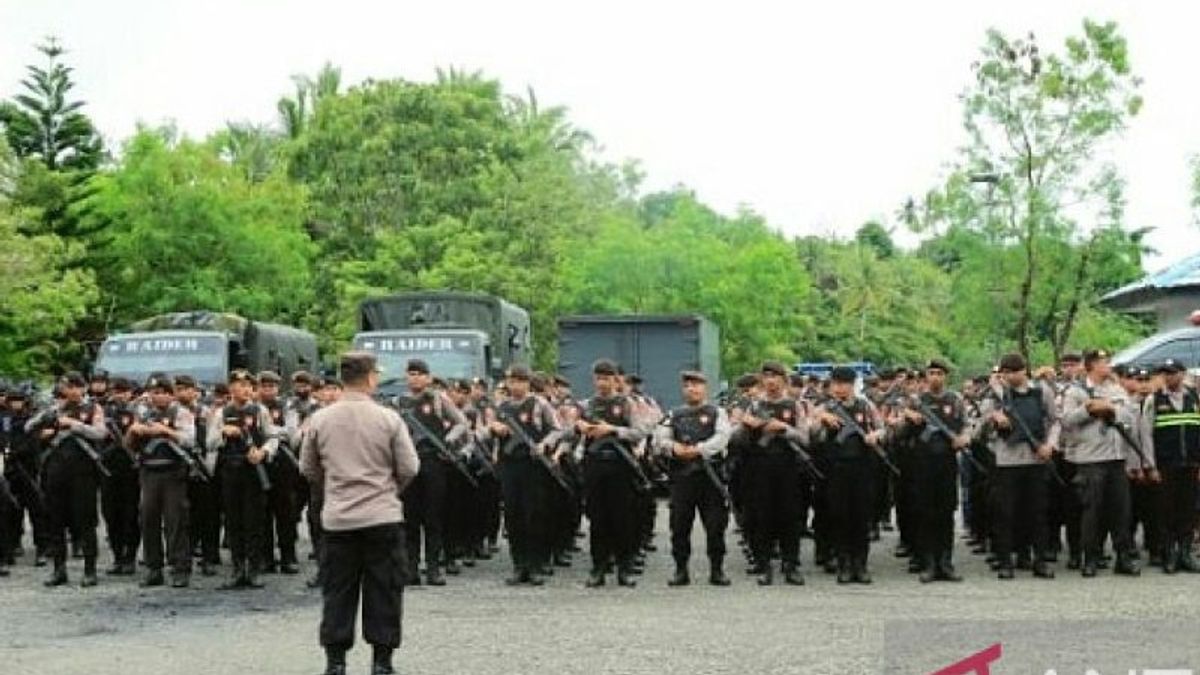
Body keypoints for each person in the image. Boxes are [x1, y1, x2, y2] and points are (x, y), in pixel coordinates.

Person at [301, 351, 419, 675]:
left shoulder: (321, 419)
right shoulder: (388, 418)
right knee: (385, 588)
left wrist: (335, 488)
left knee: (337, 589)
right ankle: (382, 662)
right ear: (370, 377)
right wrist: (389, 490)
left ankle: (335, 662)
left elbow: (308, 467)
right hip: (382, 516)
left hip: (338, 519)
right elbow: (409, 466)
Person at [976, 353, 1061, 580]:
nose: (1011, 376)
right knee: (1005, 513)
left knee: (1037, 513)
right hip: (1006, 461)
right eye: (1007, 372)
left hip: (1035, 459)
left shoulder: (1041, 391)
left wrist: (1049, 445)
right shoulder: (995, 395)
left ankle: (1039, 560)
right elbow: (980, 427)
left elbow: (1055, 421)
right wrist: (995, 417)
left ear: (1025, 371)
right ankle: (1005, 561)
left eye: (1016, 371)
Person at [1060, 349, 1141, 577]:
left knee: (1120, 510)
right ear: (1092, 365)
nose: (1109, 365)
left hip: (1116, 458)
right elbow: (1066, 421)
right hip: (1090, 459)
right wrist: (1087, 409)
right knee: (1092, 511)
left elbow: (1130, 418)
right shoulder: (1075, 391)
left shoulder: (1116, 390)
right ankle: (1090, 558)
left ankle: (1123, 557)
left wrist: (1111, 408)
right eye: (1105, 362)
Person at [569, 359, 648, 588]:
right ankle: (598, 568)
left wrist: (612, 429)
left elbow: (640, 431)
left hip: (620, 465)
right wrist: (579, 427)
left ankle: (625, 568)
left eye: (606, 378)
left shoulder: (626, 403)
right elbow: (566, 432)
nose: (602, 383)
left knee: (622, 518)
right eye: (598, 378)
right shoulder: (586, 405)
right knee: (597, 519)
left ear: (615, 379)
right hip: (594, 464)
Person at [483, 365, 563, 586]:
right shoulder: (503, 406)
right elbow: (484, 431)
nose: (515, 385)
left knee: (534, 515)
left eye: (520, 381)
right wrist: (494, 428)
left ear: (528, 383)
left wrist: (543, 444)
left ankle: (536, 565)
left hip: (532, 465)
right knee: (513, 515)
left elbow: (558, 429)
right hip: (510, 466)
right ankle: (519, 565)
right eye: (511, 381)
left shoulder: (539, 404)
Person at [392, 359, 468, 586]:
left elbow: (461, 423)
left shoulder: (437, 399)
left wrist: (448, 440)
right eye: (411, 374)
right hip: (407, 463)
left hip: (432, 461)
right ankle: (411, 569)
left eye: (419, 374)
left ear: (428, 377)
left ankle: (434, 568)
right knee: (409, 518)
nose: (414, 378)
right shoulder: (398, 402)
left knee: (433, 517)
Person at [654, 370, 733, 586]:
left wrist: (699, 449)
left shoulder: (717, 412)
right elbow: (658, 439)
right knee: (679, 526)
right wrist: (674, 448)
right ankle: (681, 570)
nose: (692, 389)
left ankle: (717, 570)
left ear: (704, 388)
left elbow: (723, 437)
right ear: (683, 390)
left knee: (716, 526)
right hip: (682, 478)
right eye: (688, 385)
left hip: (710, 476)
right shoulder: (674, 414)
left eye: (696, 385)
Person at [734, 361, 810, 585]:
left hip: (788, 467)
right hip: (759, 467)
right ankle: (763, 564)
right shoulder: (752, 406)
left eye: (775, 376)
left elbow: (805, 438)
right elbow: (736, 438)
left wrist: (784, 428)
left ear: (783, 380)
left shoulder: (794, 406)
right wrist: (750, 425)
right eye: (766, 377)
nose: (771, 381)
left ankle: (791, 564)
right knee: (761, 517)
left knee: (789, 517)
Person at [896, 360, 971, 582]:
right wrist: (907, 419)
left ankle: (945, 562)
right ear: (925, 377)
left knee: (946, 513)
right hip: (922, 463)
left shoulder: (954, 400)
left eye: (939, 373)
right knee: (925, 513)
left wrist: (964, 438)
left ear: (945, 376)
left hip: (946, 462)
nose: (935, 377)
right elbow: (898, 434)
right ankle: (927, 562)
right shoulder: (915, 401)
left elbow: (967, 425)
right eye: (931, 373)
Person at [31, 372, 108, 587]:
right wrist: (46, 430)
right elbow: (31, 427)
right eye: (68, 387)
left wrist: (74, 425)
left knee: (85, 521)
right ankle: (59, 569)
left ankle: (90, 569)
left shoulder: (93, 408)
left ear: (83, 388)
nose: (72, 391)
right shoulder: (54, 408)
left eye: (77, 387)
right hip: (56, 470)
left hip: (82, 472)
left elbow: (100, 433)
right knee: (55, 520)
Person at [811, 366, 885, 584]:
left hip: (862, 467)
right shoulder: (824, 407)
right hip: (835, 469)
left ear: (852, 385)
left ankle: (860, 565)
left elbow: (882, 428)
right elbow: (810, 433)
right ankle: (843, 564)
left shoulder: (865, 405)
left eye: (843, 384)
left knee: (861, 518)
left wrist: (875, 436)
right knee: (840, 517)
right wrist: (822, 419)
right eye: (835, 383)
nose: (839, 388)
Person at [206, 369, 278, 590]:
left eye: (249, 386)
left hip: (253, 471)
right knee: (233, 521)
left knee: (254, 521)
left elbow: (273, 437)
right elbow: (209, 443)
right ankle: (237, 569)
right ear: (231, 388)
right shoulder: (221, 413)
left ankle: (254, 569)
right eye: (240, 385)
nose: (245, 389)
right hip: (230, 470)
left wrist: (263, 452)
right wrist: (223, 434)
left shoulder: (260, 411)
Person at [127, 374, 196, 588]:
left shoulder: (180, 412)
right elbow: (128, 444)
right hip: (149, 471)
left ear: (170, 393)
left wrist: (165, 431)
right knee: (148, 519)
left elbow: (189, 440)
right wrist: (133, 431)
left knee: (175, 521)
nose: (157, 397)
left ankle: (180, 568)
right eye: (154, 393)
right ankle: (153, 568)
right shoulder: (143, 413)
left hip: (173, 471)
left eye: (162, 392)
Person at [1140, 358, 1200, 573]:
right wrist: (1150, 466)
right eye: (1165, 373)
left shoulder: (1195, 397)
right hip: (1165, 465)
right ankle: (1169, 554)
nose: (1168, 376)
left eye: (1172, 372)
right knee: (1166, 512)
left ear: (1182, 374)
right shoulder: (1153, 400)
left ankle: (1185, 552)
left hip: (1191, 464)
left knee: (1188, 511)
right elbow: (1145, 435)